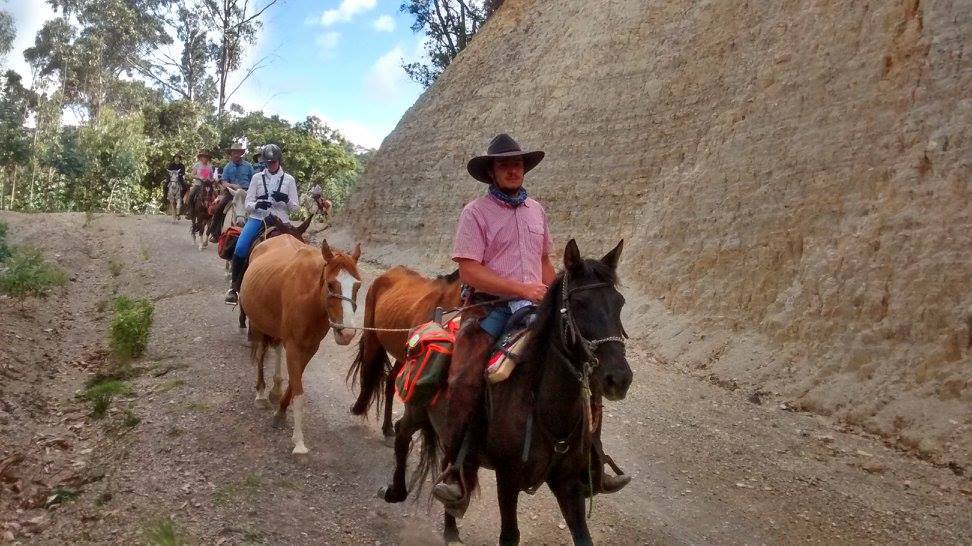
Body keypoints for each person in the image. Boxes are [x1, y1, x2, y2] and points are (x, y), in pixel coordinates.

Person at [432, 133, 630, 510]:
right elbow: (470, 271)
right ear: (491, 171)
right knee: (464, 378)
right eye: (505, 164)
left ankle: (591, 459)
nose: (513, 169)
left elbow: (544, 262)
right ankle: (455, 469)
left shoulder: (536, 210)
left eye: (518, 163)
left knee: (584, 366)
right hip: (489, 309)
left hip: (536, 305)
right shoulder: (474, 213)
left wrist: (553, 291)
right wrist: (521, 287)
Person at [224, 143, 300, 304]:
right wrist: (257, 205)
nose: (270, 165)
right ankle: (234, 288)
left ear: (279, 160)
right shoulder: (256, 178)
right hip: (258, 218)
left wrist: (286, 199)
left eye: (273, 162)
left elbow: (295, 208)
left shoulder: (289, 180)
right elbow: (248, 203)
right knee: (241, 246)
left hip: (281, 221)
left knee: (301, 248)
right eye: (268, 162)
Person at [208, 142, 255, 240]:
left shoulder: (248, 166)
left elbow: (254, 180)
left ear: (241, 154)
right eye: (234, 153)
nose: (236, 155)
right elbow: (224, 182)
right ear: (231, 154)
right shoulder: (227, 167)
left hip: (246, 192)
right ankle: (215, 232)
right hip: (231, 192)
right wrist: (232, 185)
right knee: (219, 208)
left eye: (238, 153)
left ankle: (260, 234)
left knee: (258, 209)